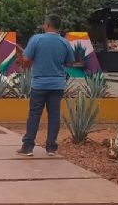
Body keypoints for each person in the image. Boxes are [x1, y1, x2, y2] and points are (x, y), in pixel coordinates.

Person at [17, 14, 77, 156]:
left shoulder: (36, 39)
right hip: (57, 85)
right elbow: (70, 62)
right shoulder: (64, 42)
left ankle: (28, 147)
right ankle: (51, 147)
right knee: (54, 115)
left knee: (34, 114)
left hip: (39, 84)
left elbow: (26, 58)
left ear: (47, 25)